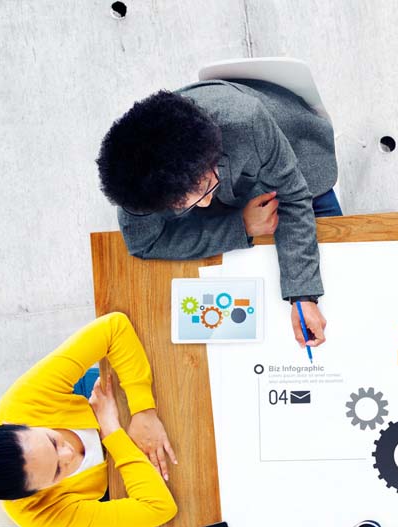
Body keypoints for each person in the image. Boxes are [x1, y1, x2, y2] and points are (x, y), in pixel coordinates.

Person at [97, 79, 340, 349]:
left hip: (297, 154)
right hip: (237, 196)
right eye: (185, 204)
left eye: (203, 188)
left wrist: (303, 296)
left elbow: (294, 196)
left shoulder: (245, 120)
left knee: (338, 269)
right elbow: (144, 242)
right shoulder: (137, 183)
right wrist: (241, 226)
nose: (202, 204)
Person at [0, 313, 177, 527]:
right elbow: (158, 508)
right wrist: (111, 430)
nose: (69, 453)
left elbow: (114, 328)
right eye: (58, 470)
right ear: (31, 495)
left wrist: (143, 410)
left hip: (95, 400)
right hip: (111, 470)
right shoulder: (38, 517)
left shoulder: (23, 402)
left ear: (20, 424)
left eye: (52, 441)